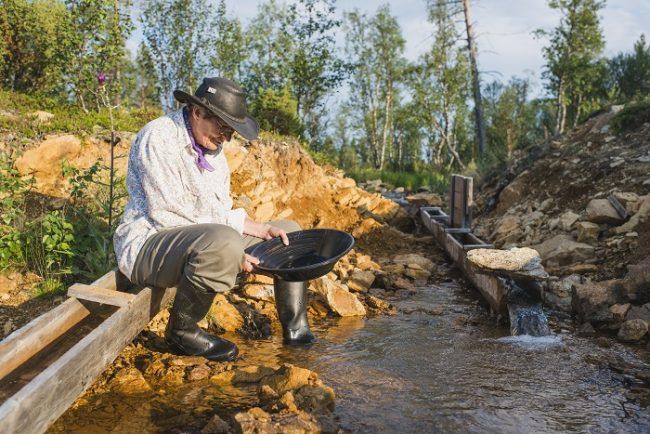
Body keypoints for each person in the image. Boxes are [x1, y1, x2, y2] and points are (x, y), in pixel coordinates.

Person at [114, 77, 315, 362]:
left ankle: (295, 329)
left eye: (232, 132)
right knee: (225, 242)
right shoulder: (158, 137)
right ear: (197, 112)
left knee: (288, 233)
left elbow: (213, 211)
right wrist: (235, 253)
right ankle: (181, 332)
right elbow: (169, 214)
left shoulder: (212, 149)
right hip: (149, 246)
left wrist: (255, 228)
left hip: (200, 243)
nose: (227, 138)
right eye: (224, 127)